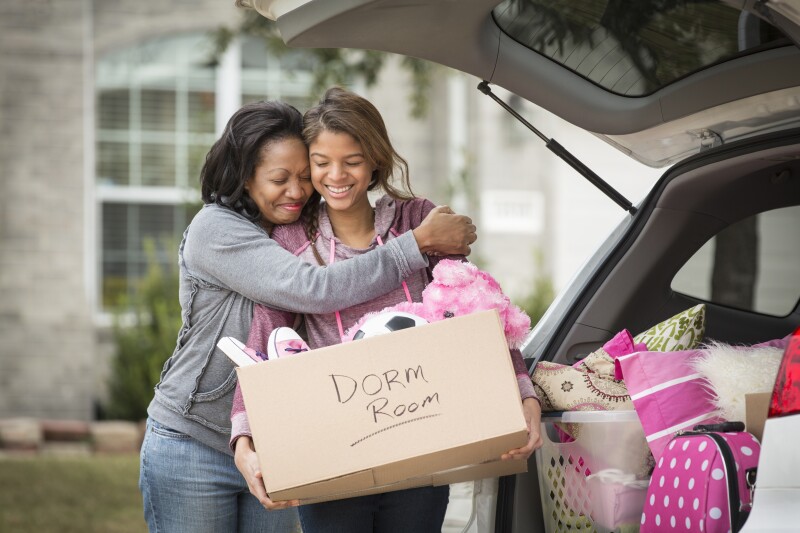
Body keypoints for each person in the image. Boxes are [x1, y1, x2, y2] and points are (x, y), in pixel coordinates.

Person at [138, 99, 477, 533]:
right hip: (195, 442)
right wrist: (417, 242)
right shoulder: (217, 231)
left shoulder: (293, 230)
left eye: (303, 176)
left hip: (279, 441)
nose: (297, 191)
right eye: (280, 179)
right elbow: (315, 289)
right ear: (244, 177)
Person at [230, 87, 542, 533]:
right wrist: (245, 437)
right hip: (333, 457)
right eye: (321, 162)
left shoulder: (418, 221)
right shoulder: (292, 242)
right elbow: (262, 340)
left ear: (375, 159)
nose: (336, 175)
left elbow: (475, 306)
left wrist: (522, 390)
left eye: (352, 161)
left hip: (422, 444)